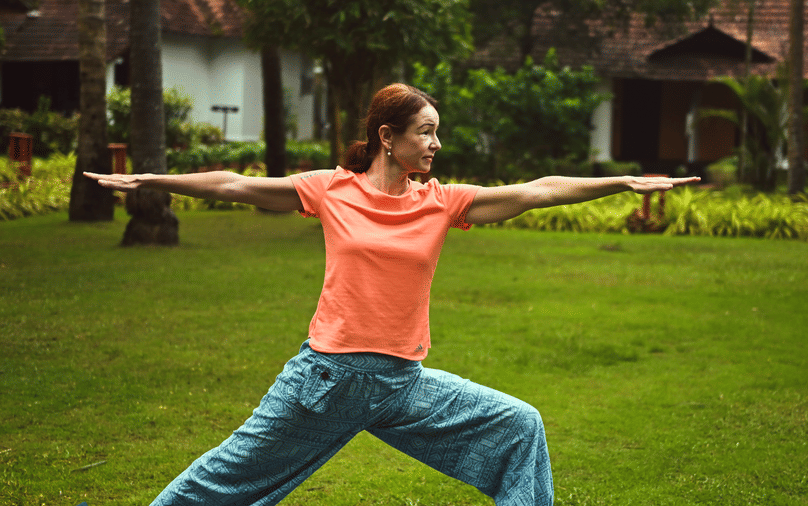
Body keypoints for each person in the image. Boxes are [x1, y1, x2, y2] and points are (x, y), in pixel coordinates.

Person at [85, 83, 699, 506]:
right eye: (426, 133)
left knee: (519, 428)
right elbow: (236, 184)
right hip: (328, 382)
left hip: (402, 385)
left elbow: (538, 189)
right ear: (388, 136)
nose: (435, 144)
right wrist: (151, 177)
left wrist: (620, 181)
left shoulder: (443, 203)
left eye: (438, 134)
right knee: (221, 483)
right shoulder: (332, 190)